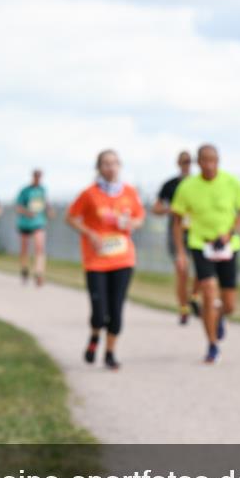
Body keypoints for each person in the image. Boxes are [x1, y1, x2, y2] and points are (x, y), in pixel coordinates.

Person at [66, 150, 145, 370]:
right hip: (96, 261)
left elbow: (140, 217)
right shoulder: (89, 194)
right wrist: (90, 233)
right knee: (99, 311)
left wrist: (131, 224)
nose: (110, 168)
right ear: (99, 168)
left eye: (114, 163)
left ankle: (110, 353)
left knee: (117, 310)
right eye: (106, 164)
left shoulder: (129, 192)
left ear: (120, 166)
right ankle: (94, 337)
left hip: (123, 259)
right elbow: (71, 218)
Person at [170, 144, 240, 364]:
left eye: (213, 160)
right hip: (200, 244)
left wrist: (230, 231)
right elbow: (177, 221)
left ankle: (219, 316)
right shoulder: (187, 187)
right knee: (207, 290)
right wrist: (180, 252)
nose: (209, 165)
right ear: (198, 162)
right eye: (204, 160)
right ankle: (212, 345)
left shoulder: (231, 183)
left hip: (227, 246)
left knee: (230, 304)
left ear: (219, 160)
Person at [152, 150, 200, 324]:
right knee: (182, 271)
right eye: (184, 161)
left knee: (203, 270)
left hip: (197, 231)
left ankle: (194, 296)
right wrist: (170, 209)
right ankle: (183, 308)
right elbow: (155, 208)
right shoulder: (170, 185)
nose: (187, 164)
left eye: (189, 161)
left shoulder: (199, 183)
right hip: (177, 231)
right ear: (178, 163)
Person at [15, 169, 53, 286]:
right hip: (25, 223)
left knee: (39, 247)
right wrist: (27, 213)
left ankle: (39, 272)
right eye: (36, 176)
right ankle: (24, 269)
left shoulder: (42, 190)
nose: (38, 178)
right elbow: (18, 207)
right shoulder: (25, 191)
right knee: (25, 248)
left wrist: (49, 210)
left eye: (40, 176)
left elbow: (45, 204)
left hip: (38, 223)